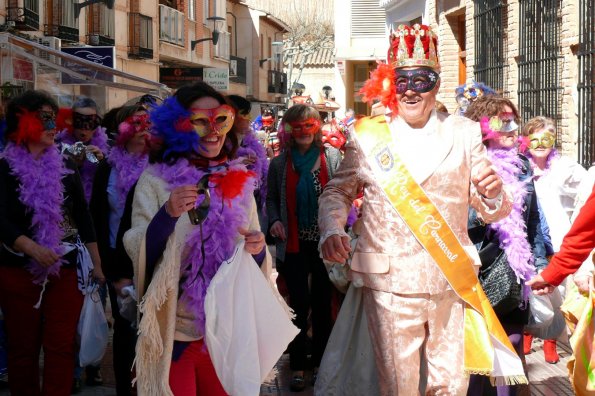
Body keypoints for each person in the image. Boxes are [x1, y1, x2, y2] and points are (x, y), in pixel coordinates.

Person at [318, 24, 524, 395]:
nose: (411, 89)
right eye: (403, 80)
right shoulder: (368, 136)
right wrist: (332, 229)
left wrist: (493, 194)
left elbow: (492, 208)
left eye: (422, 79)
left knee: (451, 386)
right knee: (398, 387)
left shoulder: (464, 132)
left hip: (450, 282)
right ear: (389, 85)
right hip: (390, 285)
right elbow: (337, 191)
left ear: (436, 82)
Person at [123, 82, 275, 395]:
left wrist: (258, 250)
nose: (213, 131)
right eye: (200, 121)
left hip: (225, 331)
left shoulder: (237, 180)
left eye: (221, 119)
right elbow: (138, 249)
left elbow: (254, 252)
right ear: (178, 126)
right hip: (174, 332)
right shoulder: (155, 180)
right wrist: (167, 214)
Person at [0, 90, 104, 396]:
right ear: (23, 121)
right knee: (23, 348)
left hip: (66, 268)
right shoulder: (3, 168)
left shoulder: (65, 165)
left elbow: (83, 218)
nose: (53, 126)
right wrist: (31, 248)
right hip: (18, 270)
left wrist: (97, 264)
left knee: (60, 346)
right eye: (44, 117)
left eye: (54, 118)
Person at [464, 96, 548, 395]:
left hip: (514, 270)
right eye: (503, 121)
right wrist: (489, 202)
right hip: (474, 269)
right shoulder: (467, 165)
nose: (513, 128)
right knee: (477, 354)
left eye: (514, 120)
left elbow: (534, 219)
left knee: (512, 347)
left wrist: (540, 266)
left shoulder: (523, 165)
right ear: (483, 127)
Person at [266, 104, 342, 392]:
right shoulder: (279, 163)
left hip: (324, 245)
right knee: (297, 306)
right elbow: (271, 199)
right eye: (296, 126)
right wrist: (274, 220)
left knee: (323, 305)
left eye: (308, 125)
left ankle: (321, 364)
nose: (302, 132)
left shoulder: (332, 157)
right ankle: (297, 365)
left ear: (317, 127)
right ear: (288, 130)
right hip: (293, 245)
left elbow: (343, 194)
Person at [90, 104, 152, 395]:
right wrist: (105, 266)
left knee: (155, 332)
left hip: (156, 261)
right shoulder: (108, 168)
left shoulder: (161, 166)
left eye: (148, 124)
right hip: (119, 261)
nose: (143, 131)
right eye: (135, 124)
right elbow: (98, 218)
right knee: (126, 334)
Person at [521, 116, 587, 363]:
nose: (540, 143)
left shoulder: (566, 169)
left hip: (559, 240)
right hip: (529, 241)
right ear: (526, 141)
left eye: (546, 138)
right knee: (529, 290)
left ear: (554, 140)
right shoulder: (519, 167)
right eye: (534, 138)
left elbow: (585, 194)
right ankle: (528, 334)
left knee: (557, 293)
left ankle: (550, 341)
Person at [57, 97, 110, 202]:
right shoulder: (57, 146)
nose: (84, 128)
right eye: (78, 122)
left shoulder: (109, 147)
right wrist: (73, 166)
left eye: (90, 122)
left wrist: (102, 163)